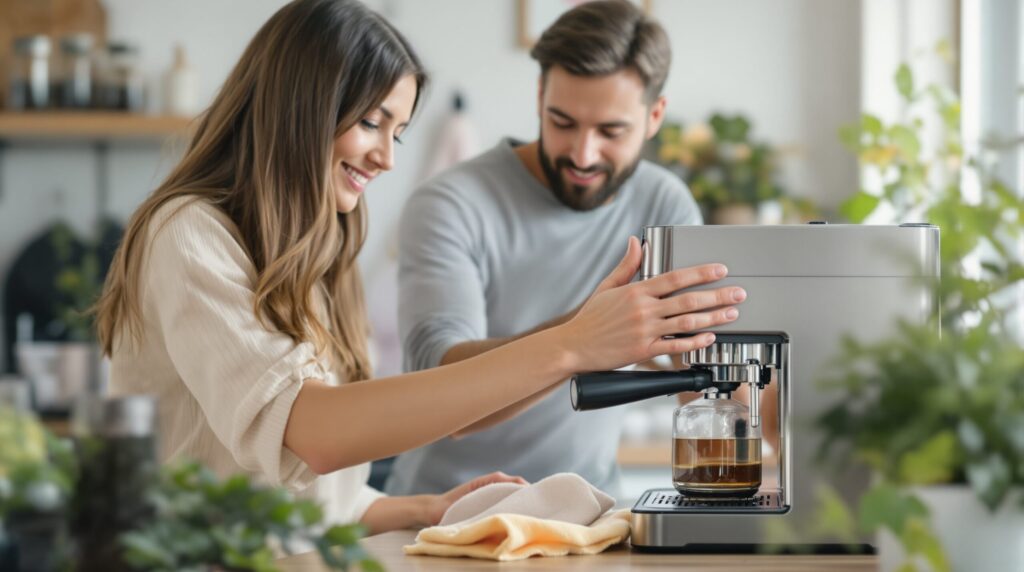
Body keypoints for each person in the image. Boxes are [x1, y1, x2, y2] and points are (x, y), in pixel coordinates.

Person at [95, 0, 741, 534]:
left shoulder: (316, 249)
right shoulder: (188, 235)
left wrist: (431, 510)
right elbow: (311, 432)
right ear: (303, 105)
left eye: (397, 132)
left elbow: (316, 493)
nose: (387, 159)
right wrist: (575, 343)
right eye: (372, 123)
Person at [386, 0, 747, 499]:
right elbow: (441, 390)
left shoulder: (664, 202)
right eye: (563, 122)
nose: (582, 154)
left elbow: (697, 372)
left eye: (610, 131)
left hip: (590, 511)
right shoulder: (450, 203)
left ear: (654, 116)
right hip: (442, 514)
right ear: (539, 97)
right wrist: (593, 330)